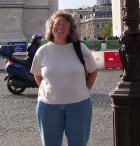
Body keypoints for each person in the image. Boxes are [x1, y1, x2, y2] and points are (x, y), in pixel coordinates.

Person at [31, 10, 98, 146]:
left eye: (64, 25)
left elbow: (93, 71)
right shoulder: (42, 51)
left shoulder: (81, 48)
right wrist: (49, 91)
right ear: (51, 27)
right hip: (48, 107)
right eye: (57, 24)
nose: (60, 27)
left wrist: (84, 89)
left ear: (70, 30)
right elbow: (37, 75)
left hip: (79, 105)